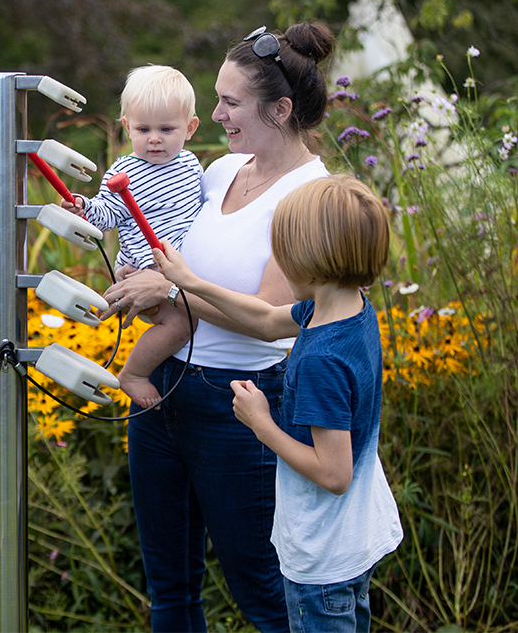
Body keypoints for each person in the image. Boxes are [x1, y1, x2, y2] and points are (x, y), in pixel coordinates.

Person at [102, 22, 336, 632]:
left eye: (230, 102)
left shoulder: (308, 197)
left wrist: (171, 289)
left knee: (261, 591)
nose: (216, 114)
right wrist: (138, 274)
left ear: (280, 110)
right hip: (165, 390)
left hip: (240, 405)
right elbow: (174, 258)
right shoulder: (221, 172)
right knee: (170, 590)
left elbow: (269, 319)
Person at [155, 175, 403, 633]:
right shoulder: (347, 308)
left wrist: (261, 423)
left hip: (323, 557)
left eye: (282, 251)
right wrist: (190, 284)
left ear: (314, 261)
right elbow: (268, 321)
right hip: (355, 537)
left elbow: (334, 473)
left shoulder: (322, 360)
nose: (277, 263)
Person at [61, 64, 202, 408]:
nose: (154, 138)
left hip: (178, 267)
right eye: (143, 128)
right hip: (145, 269)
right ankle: (134, 373)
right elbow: (106, 214)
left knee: (188, 318)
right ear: (127, 127)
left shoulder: (191, 166)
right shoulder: (124, 172)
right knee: (182, 325)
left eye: (167, 129)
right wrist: (83, 207)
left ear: (190, 128)